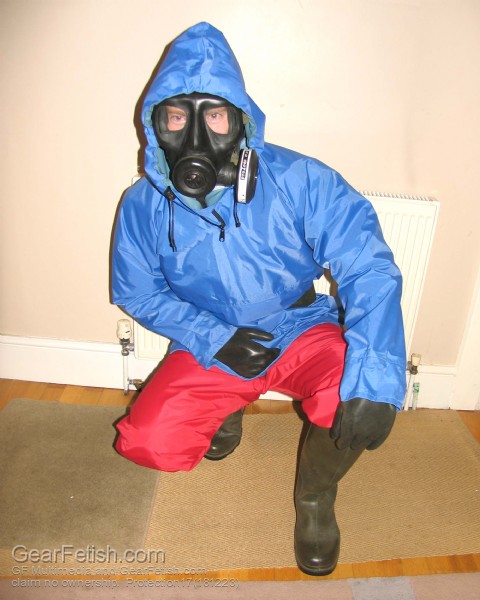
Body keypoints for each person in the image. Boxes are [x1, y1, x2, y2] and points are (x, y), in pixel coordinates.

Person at [111, 22, 406, 576]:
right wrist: (212, 337)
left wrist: (377, 377)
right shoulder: (142, 205)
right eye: (177, 117)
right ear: (156, 126)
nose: (196, 136)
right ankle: (227, 406)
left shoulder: (301, 180)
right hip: (212, 339)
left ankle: (315, 499)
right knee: (149, 443)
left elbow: (368, 267)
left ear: (241, 121)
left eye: (215, 117)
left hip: (302, 327)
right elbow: (137, 290)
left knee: (348, 396)